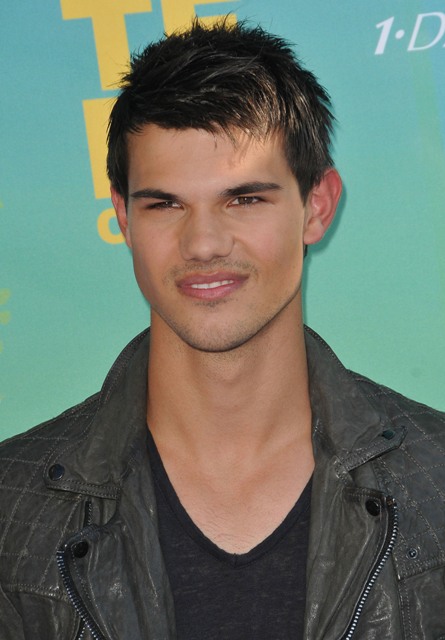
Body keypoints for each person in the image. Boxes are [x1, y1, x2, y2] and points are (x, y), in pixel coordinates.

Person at [1, 19, 445, 640]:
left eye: (245, 199)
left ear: (317, 206)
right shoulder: (12, 504)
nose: (204, 243)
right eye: (165, 204)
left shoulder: (435, 483)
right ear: (124, 218)